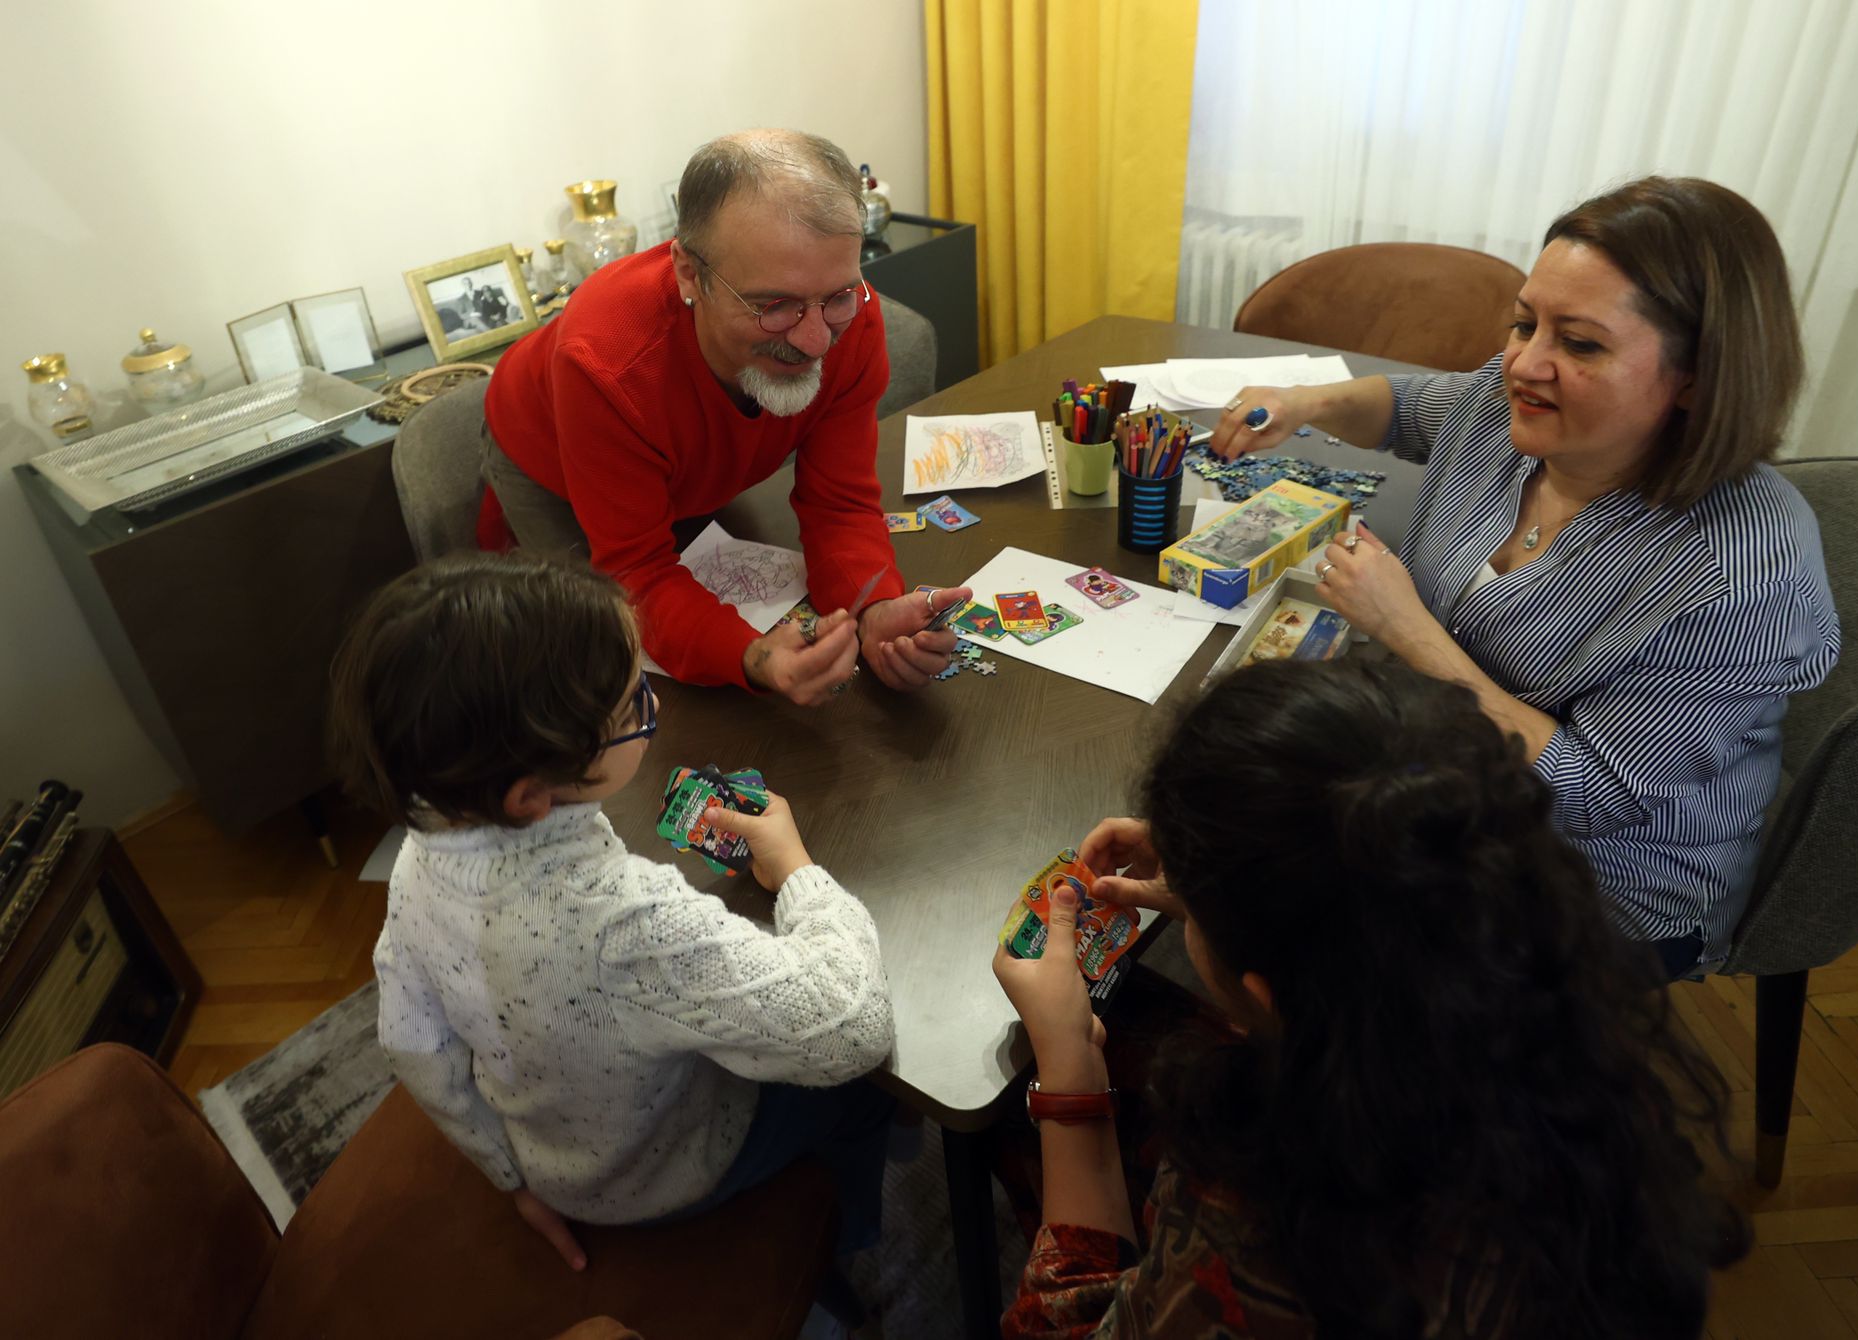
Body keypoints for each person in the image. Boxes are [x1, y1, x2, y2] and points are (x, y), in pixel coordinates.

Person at [994, 658, 1747, 1338]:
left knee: (1020, 1109)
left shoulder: (1261, 1236)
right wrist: (1241, 879)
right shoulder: (1560, 1018)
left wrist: (1068, 1076)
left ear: (1274, 995)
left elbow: (1068, 1327)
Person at [1210, 177, 1840, 978]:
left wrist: (1405, 628)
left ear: (1696, 378)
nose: (1522, 363)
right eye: (1523, 321)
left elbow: (1586, 795)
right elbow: (1408, 408)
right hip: (1441, 769)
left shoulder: (1738, 580)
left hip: (1602, 883)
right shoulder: (1509, 406)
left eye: (1579, 343)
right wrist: (1307, 402)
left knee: (1283, 910)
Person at [329, 551, 897, 1263]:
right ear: (529, 796)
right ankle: (858, 1242)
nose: (651, 708)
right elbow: (854, 1024)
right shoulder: (627, 922)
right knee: (874, 1091)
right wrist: (797, 871)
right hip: (657, 1178)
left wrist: (511, 1179)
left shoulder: (421, 853)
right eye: (635, 704)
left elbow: (412, 1044)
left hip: (549, 1159)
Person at [482, 128, 967, 705]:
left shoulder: (851, 318)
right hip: (549, 461)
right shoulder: (605, 365)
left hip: (685, 465)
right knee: (590, 657)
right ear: (690, 274)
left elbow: (839, 503)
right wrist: (753, 657)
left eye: (836, 295)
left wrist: (875, 607)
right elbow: (635, 572)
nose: (815, 341)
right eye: (773, 305)